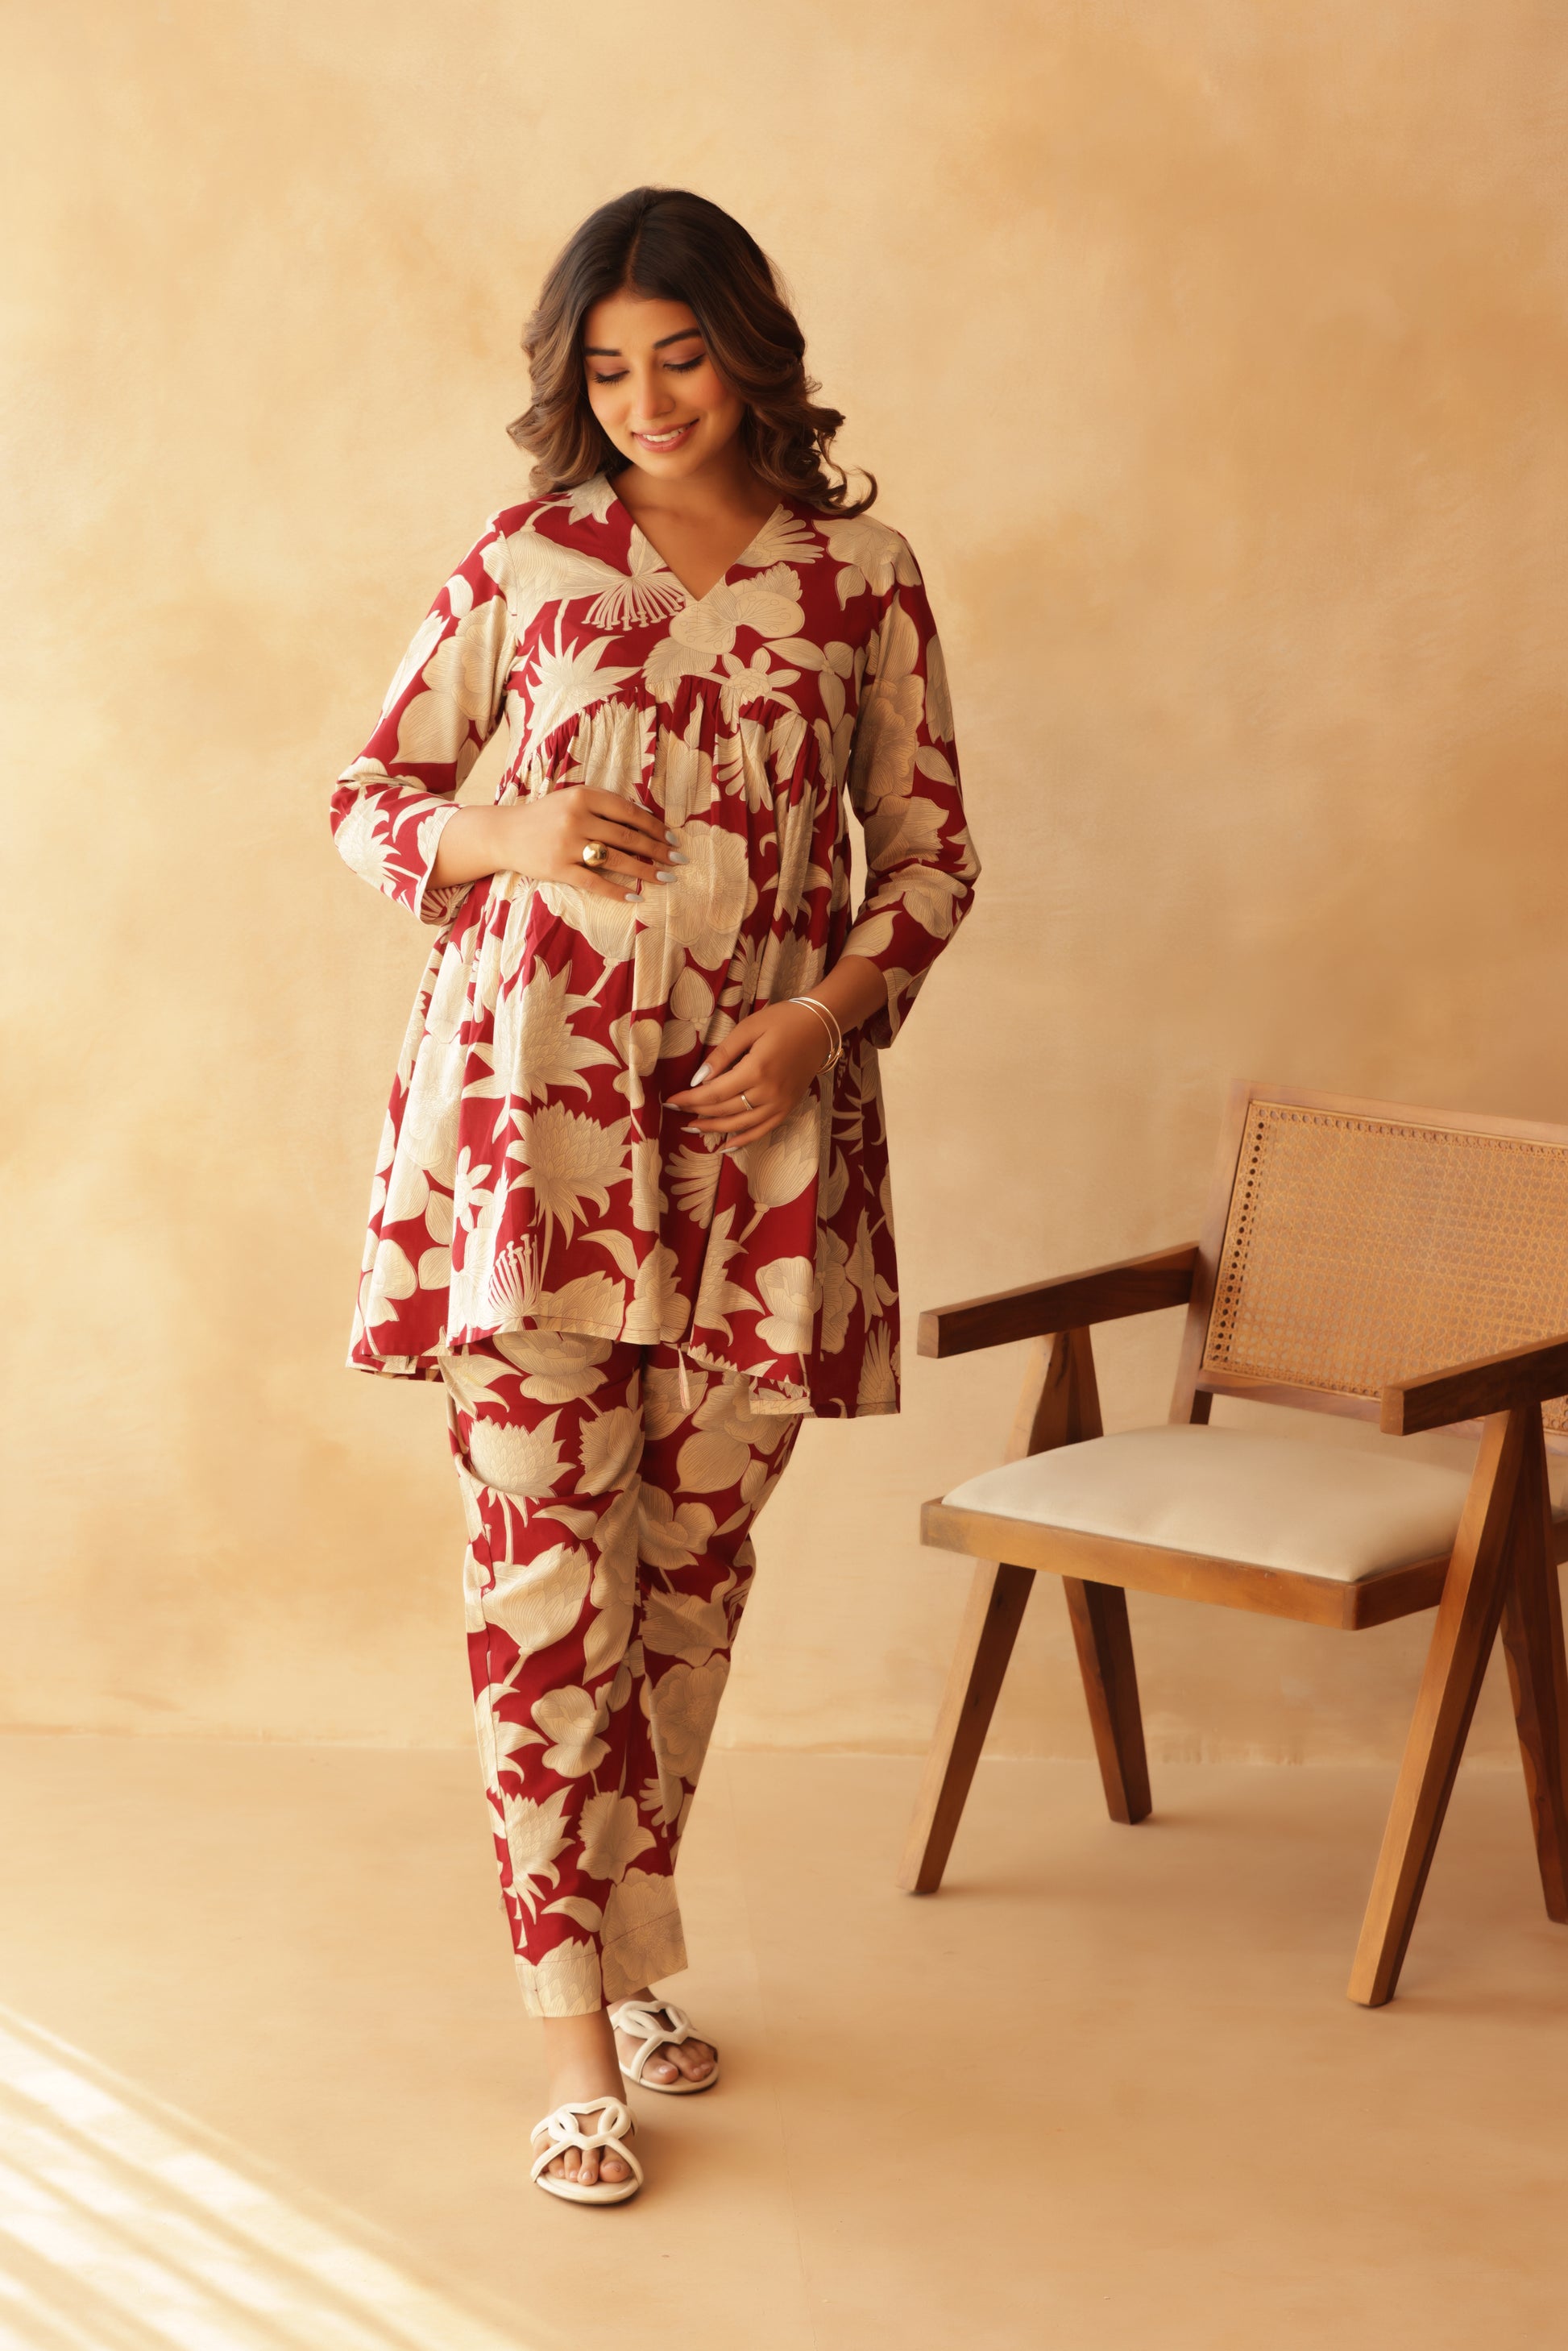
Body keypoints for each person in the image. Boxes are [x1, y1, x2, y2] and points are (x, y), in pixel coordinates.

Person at [330, 185, 978, 2205]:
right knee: (545, 1585)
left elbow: (931, 857)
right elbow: (368, 800)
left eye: (677, 356)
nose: (646, 400)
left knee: (688, 1579)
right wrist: (507, 826)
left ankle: (630, 1958)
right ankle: (573, 2051)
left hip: (755, 1152)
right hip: (532, 1145)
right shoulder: (525, 559)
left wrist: (823, 1022)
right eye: (606, 371)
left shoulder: (859, 580)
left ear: (748, 348)